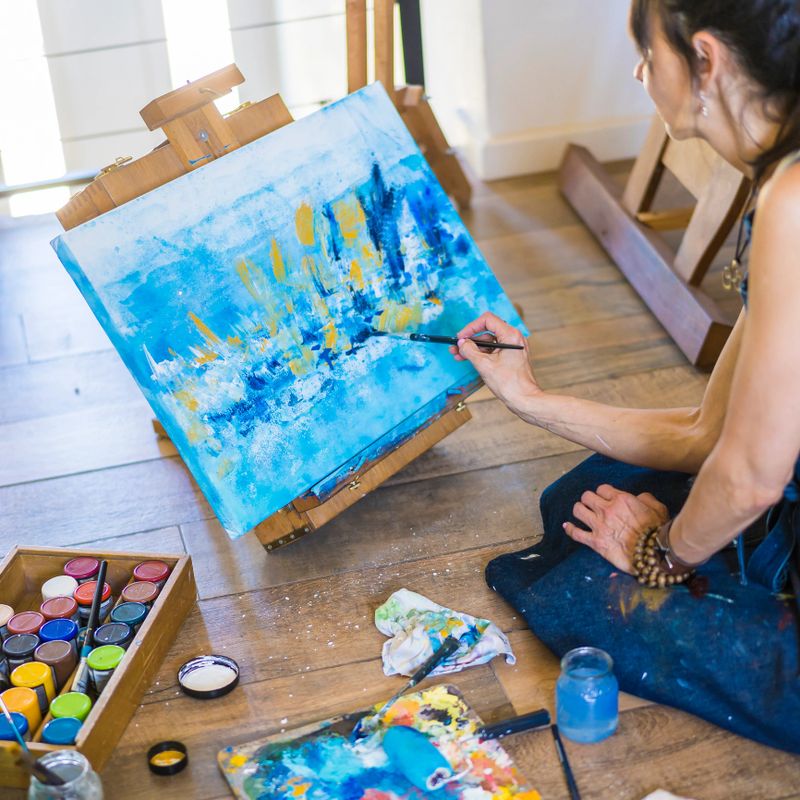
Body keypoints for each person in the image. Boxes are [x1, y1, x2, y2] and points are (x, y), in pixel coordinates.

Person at [451, 0, 800, 753]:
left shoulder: (794, 200)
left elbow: (748, 478)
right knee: (583, 499)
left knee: (588, 585)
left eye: (646, 52)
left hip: (772, 488)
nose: (640, 72)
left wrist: (663, 555)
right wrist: (530, 397)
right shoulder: (781, 175)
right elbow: (713, 432)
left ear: (705, 59)